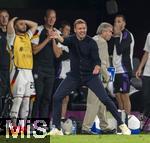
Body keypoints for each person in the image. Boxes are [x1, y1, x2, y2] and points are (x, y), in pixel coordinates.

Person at [49, 19, 131, 135]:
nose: (82, 30)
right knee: (57, 97)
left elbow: (97, 60)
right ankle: (57, 128)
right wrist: (57, 36)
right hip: (74, 76)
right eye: (80, 29)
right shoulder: (72, 39)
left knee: (105, 99)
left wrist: (97, 67)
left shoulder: (91, 42)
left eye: (84, 28)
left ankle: (122, 125)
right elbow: (64, 41)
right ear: (75, 30)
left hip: (90, 76)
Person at [82, 22, 116, 134]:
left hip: (90, 75)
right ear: (103, 31)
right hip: (97, 77)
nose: (111, 34)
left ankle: (104, 126)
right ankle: (86, 128)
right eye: (110, 31)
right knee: (93, 103)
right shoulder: (101, 42)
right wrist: (108, 77)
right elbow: (100, 63)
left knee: (101, 103)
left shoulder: (93, 39)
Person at [31, 9, 62, 119]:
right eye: (49, 17)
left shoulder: (57, 33)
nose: (51, 19)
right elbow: (34, 50)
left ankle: (41, 127)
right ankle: (32, 125)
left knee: (47, 98)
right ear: (45, 18)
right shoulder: (38, 30)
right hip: (38, 68)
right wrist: (47, 38)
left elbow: (58, 54)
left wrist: (53, 38)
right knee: (37, 97)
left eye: (54, 17)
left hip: (51, 70)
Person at [7, 17, 37, 124]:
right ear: (15, 26)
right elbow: (9, 26)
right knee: (18, 99)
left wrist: (24, 20)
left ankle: (23, 127)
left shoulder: (27, 37)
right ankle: (13, 125)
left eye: (24, 24)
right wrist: (14, 20)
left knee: (27, 100)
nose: (24, 26)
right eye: (20, 24)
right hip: (17, 72)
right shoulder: (12, 37)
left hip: (29, 72)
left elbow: (35, 25)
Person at [109, 14, 134, 115]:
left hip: (124, 70)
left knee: (124, 95)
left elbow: (119, 50)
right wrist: (114, 37)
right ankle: (121, 120)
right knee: (118, 96)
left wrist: (116, 36)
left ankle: (127, 119)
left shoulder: (127, 35)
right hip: (115, 70)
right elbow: (112, 52)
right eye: (115, 22)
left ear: (124, 23)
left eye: (119, 21)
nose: (116, 24)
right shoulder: (116, 36)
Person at [54, 21, 71, 120]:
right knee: (59, 97)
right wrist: (68, 54)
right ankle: (56, 119)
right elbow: (60, 56)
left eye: (69, 30)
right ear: (61, 30)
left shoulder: (69, 42)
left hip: (68, 74)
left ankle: (62, 118)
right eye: (66, 30)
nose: (68, 32)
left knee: (66, 98)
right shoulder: (58, 41)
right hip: (60, 74)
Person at [136, 33, 150, 118]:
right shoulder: (149, 35)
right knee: (145, 96)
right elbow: (146, 52)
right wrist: (140, 68)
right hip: (147, 72)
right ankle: (145, 119)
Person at [0, 9, 10, 116]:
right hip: (1, 70)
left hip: (12, 69)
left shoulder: (12, 33)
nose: (4, 19)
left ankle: (7, 122)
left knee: (10, 97)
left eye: (6, 16)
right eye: (1, 16)